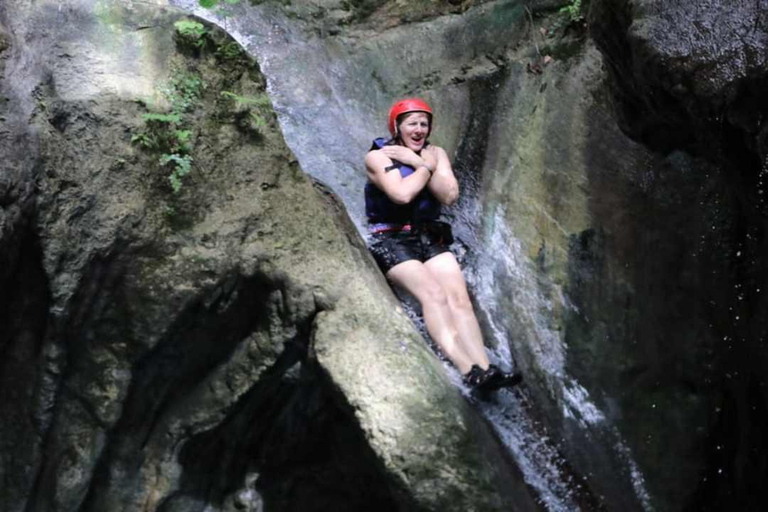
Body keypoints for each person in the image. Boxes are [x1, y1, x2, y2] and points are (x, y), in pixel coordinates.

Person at [364, 98, 522, 394]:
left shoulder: (435, 152)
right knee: (434, 295)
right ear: (397, 126)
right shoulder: (378, 156)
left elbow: (448, 195)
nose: (419, 129)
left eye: (424, 124)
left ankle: (486, 369)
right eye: (412, 123)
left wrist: (421, 163)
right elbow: (402, 195)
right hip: (391, 238)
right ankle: (468, 371)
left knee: (459, 298)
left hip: (428, 235)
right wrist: (425, 166)